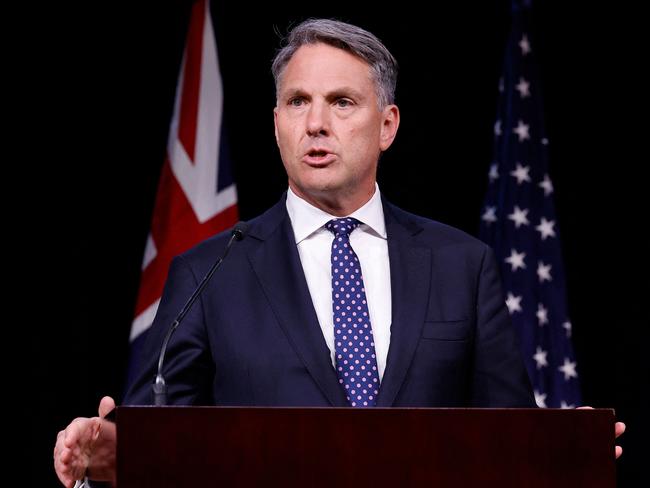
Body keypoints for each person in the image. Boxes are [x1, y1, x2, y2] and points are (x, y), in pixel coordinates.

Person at [53, 18, 625, 487]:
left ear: (387, 125)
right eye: (298, 102)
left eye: (342, 102)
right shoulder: (209, 273)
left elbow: (508, 439)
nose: (317, 123)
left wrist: (556, 450)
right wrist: (109, 454)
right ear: (276, 124)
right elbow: (151, 443)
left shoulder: (462, 266)